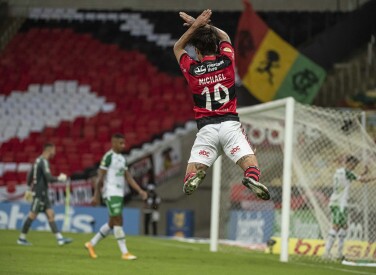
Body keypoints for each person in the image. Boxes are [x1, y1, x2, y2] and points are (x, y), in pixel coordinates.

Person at [173, 10, 270, 200]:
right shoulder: (227, 61)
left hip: (206, 128)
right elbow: (224, 35)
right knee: (250, 162)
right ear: (217, 48)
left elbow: (177, 47)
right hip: (229, 125)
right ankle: (251, 177)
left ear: (197, 52)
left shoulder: (193, 70)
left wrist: (194, 27)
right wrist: (203, 25)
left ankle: (194, 175)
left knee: (191, 172)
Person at [85, 133, 147, 260]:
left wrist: (140, 190)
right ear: (113, 143)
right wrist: (96, 195)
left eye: (124, 143)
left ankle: (91, 244)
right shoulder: (108, 157)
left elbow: (128, 177)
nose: (123, 146)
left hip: (119, 193)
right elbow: (99, 178)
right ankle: (125, 253)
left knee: (113, 223)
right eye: (120, 143)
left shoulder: (122, 159)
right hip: (110, 192)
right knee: (118, 220)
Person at [17, 143, 72, 246]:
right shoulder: (44, 162)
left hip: (42, 192)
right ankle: (21, 238)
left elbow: (29, 176)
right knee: (32, 215)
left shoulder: (37, 161)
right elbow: (48, 178)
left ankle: (60, 239)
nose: (54, 152)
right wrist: (60, 178)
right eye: (54, 150)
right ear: (49, 150)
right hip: (40, 193)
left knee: (51, 215)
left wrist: (29, 188)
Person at [324, 156, 371, 259]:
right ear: (349, 163)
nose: (354, 167)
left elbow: (353, 177)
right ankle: (326, 252)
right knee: (336, 226)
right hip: (340, 203)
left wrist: (364, 172)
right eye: (354, 165)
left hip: (336, 202)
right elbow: (362, 180)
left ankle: (339, 253)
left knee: (344, 227)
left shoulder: (339, 171)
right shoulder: (347, 172)